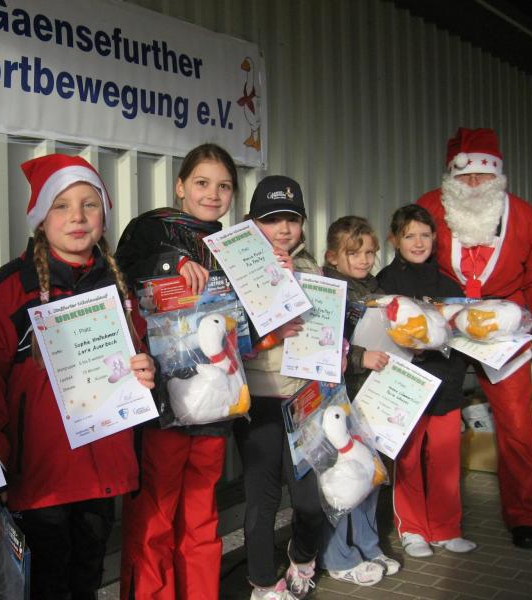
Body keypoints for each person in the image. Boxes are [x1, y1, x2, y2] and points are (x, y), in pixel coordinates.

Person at [0, 154, 156, 599]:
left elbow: (140, 355)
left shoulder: (118, 286)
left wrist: (147, 370)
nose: (77, 217)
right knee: (46, 587)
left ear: (104, 216)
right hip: (39, 481)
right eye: (61, 206)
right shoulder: (10, 292)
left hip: (101, 472)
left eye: (89, 205)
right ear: (40, 219)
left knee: (86, 580)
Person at [416, 127, 532, 549]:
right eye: (465, 175)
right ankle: (428, 516)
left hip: (503, 329)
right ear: (451, 177)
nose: (474, 183)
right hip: (446, 325)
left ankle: (523, 514)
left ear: (498, 175)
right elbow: (410, 256)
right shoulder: (429, 208)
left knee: (517, 425)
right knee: (432, 418)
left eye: (483, 175)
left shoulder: (525, 217)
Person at [115, 143, 237, 599]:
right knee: (156, 515)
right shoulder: (151, 228)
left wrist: (271, 278)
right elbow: (122, 270)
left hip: (216, 403)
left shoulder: (232, 247)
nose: (212, 194)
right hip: (163, 404)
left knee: (202, 514)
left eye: (224, 186)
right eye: (202, 183)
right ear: (180, 186)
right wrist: (174, 263)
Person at [233, 176, 325, 600]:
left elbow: (326, 325)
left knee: (309, 498)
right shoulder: (236, 267)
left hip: (303, 397)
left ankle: (303, 558)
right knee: (262, 499)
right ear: (252, 223)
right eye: (271, 220)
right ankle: (262, 582)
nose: (283, 229)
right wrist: (271, 282)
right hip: (258, 397)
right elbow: (229, 334)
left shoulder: (312, 268)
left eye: (292, 219)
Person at [377, 204, 477, 557]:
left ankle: (447, 529)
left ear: (434, 237)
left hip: (446, 385)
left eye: (424, 235)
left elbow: (462, 337)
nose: (418, 243)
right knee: (407, 460)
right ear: (395, 240)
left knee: (446, 460)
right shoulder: (385, 283)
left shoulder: (449, 285)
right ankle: (412, 529)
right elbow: (377, 335)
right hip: (406, 386)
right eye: (409, 236)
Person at [320, 215, 399, 586]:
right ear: (332, 257)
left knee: (370, 475)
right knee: (344, 479)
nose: (365, 259)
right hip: (340, 397)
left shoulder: (376, 288)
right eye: (354, 253)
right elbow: (319, 342)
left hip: (371, 396)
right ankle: (338, 554)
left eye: (369, 252)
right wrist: (358, 357)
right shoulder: (327, 290)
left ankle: (368, 545)